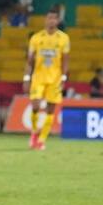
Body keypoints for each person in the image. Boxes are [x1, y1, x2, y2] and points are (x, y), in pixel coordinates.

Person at [24, 9, 71, 151]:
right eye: (49, 18)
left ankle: (42, 139)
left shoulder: (63, 38)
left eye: (54, 18)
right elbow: (29, 61)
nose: (51, 21)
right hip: (38, 77)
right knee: (35, 105)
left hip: (55, 79)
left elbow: (65, 60)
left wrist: (64, 77)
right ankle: (34, 132)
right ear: (45, 19)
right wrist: (26, 77)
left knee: (51, 110)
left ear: (58, 21)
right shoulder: (36, 38)